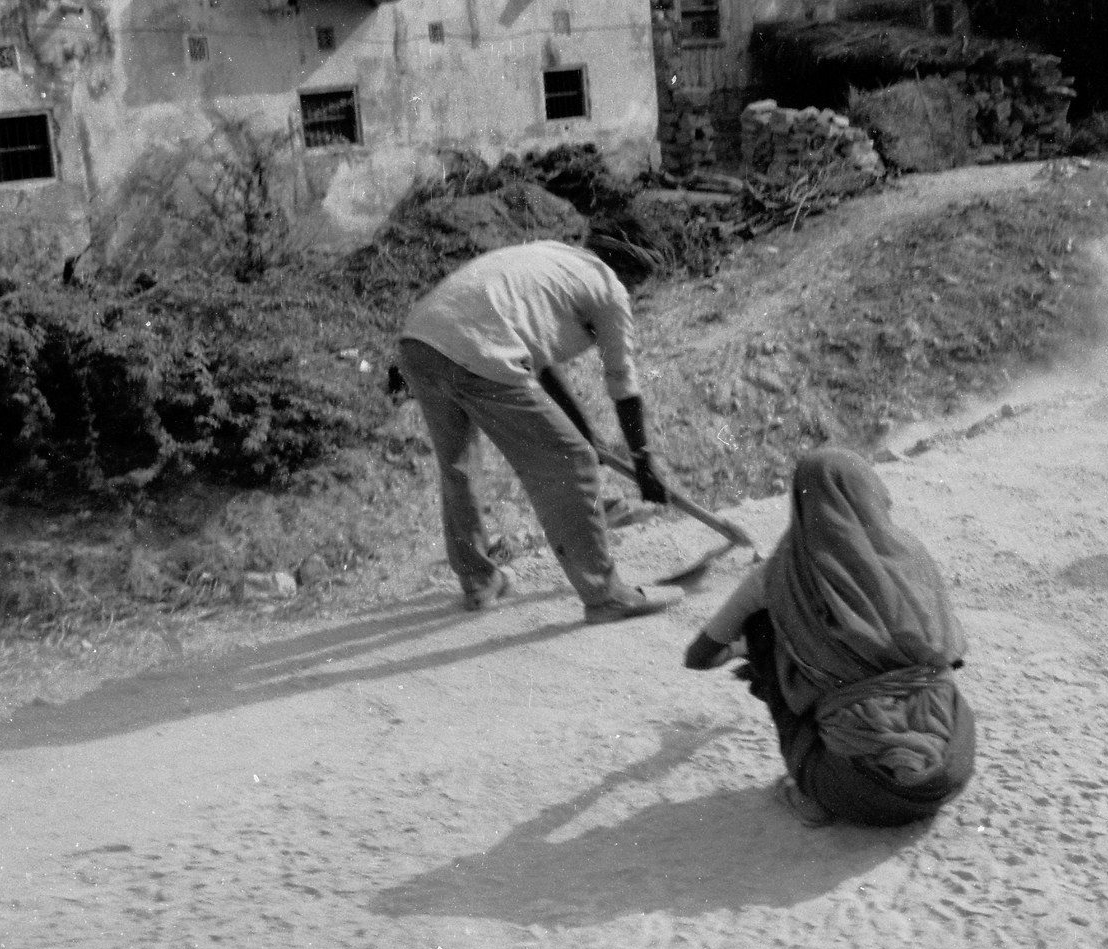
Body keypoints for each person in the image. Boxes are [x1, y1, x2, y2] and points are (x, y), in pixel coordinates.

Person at [683, 449, 976, 827]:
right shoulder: (910, 558)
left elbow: (699, 656)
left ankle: (811, 791)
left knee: (763, 630)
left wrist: (755, 648)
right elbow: (946, 654)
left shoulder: (777, 577)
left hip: (857, 786)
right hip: (948, 771)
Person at [395, 239, 683, 622]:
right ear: (633, 274)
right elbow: (623, 384)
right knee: (572, 462)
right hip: (478, 348)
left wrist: (584, 431)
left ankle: (479, 581)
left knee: (459, 462)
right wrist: (643, 461)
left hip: (420, 341)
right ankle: (605, 595)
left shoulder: (559, 260)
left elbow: (539, 362)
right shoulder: (611, 289)